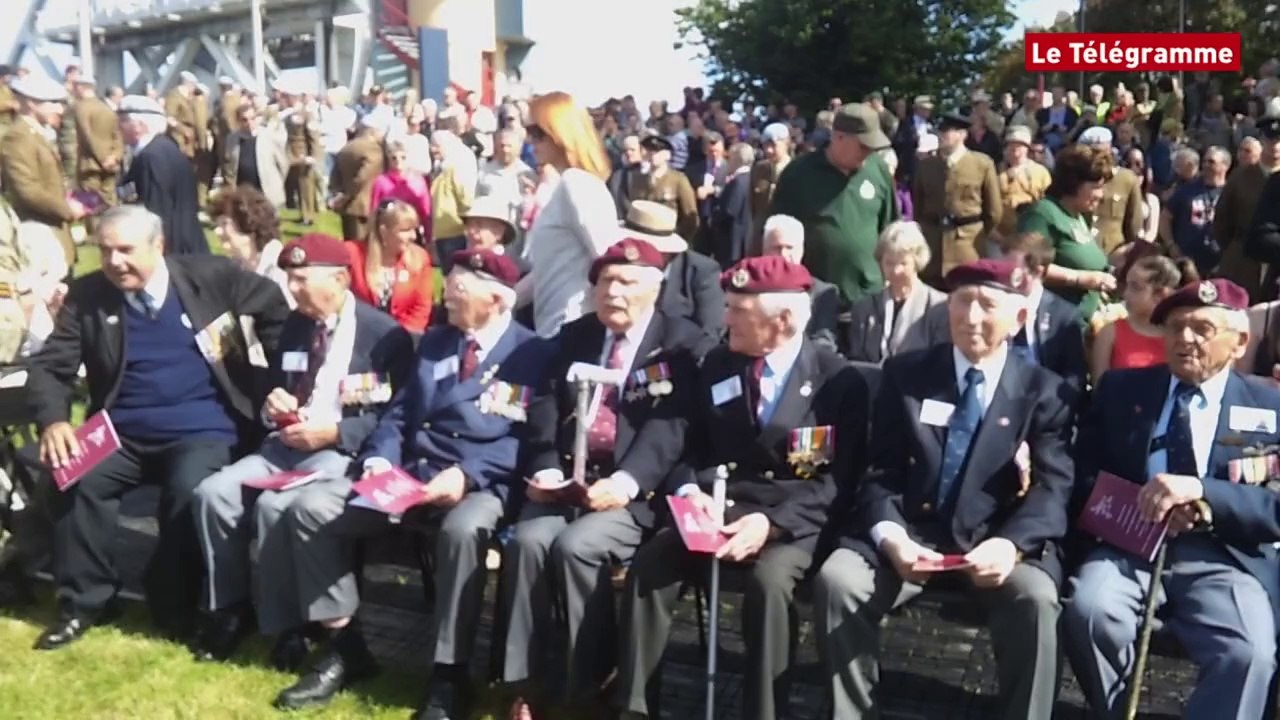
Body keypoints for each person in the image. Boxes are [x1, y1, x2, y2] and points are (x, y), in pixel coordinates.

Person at [271, 249, 551, 716]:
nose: (447, 298)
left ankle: (449, 674)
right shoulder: (439, 340)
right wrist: (380, 461)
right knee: (311, 509)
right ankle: (345, 645)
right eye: (449, 287)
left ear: (497, 300)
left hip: (481, 481)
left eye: (459, 291)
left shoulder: (533, 353)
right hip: (410, 474)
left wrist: (466, 475)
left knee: (463, 532)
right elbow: (399, 414)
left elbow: (527, 438)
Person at [613, 256, 870, 720]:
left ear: (783, 321)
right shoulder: (717, 363)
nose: (724, 319)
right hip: (718, 508)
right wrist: (691, 494)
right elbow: (686, 445)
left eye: (737, 311)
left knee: (769, 585)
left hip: (795, 520)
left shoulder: (837, 380)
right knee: (651, 565)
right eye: (727, 306)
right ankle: (633, 707)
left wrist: (770, 524)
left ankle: (763, 713)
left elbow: (837, 480)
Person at [816, 258, 1074, 720]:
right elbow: (882, 470)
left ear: (1018, 319)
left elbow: (1054, 487)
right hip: (913, 532)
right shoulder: (906, 375)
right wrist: (892, 538)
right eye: (962, 302)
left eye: (986, 305)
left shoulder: (1045, 391)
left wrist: (1010, 546)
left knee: (1035, 601)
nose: (971, 317)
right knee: (839, 581)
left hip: (997, 540)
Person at [24, 206, 290, 648]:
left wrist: (275, 381)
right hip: (120, 429)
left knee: (189, 491)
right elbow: (50, 368)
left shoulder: (210, 277)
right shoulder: (89, 296)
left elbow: (275, 309)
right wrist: (54, 421)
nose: (114, 262)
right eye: (104, 251)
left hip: (204, 426)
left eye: (125, 251)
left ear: (159, 246)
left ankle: (173, 600)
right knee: (75, 477)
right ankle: (85, 600)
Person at [499, 239, 707, 717]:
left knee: (576, 548)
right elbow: (546, 406)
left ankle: (589, 684)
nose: (613, 292)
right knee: (528, 542)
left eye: (627, 282)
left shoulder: (681, 344)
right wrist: (547, 466)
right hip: (569, 481)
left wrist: (629, 482)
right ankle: (525, 685)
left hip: (636, 492)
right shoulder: (575, 337)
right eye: (606, 281)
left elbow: (673, 426)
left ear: (654, 289)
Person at [188, 233, 411, 664]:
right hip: (284, 443)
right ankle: (231, 608)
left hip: (338, 449)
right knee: (212, 495)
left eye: (302, 280)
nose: (291, 290)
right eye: (289, 279)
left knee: (277, 506)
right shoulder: (297, 325)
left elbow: (394, 416)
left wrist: (334, 433)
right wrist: (276, 401)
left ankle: (290, 625)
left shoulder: (383, 337)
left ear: (341, 280)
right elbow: (282, 380)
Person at [1064, 278, 1280, 720]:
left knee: (1248, 652)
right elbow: (1083, 473)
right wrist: (1142, 503)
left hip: (1224, 555)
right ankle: (1118, 711)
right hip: (1130, 541)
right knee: (1088, 612)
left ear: (1240, 341)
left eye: (1201, 328)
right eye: (1175, 327)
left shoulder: (1269, 407)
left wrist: (1205, 497)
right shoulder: (1123, 390)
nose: (1184, 339)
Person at [769, 103, 897, 306]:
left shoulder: (878, 170)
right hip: (816, 300)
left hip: (870, 299)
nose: (868, 153)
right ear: (838, 137)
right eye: (863, 146)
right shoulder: (799, 174)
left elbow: (889, 230)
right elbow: (774, 236)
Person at [521, 91, 617, 338]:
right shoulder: (565, 185)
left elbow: (608, 260)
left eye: (537, 133)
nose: (530, 141)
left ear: (559, 133)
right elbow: (551, 267)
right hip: (554, 328)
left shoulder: (578, 184)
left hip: (572, 329)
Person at [1017, 144, 1117, 326]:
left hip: (1081, 324)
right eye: (1096, 187)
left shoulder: (1078, 216)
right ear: (1073, 184)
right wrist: (1079, 279)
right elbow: (1027, 265)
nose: (1101, 195)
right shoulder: (1043, 213)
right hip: (1052, 325)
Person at [1, 74, 84, 268]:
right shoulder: (18, 138)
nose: (60, 109)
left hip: (52, 229)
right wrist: (67, 210)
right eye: (54, 102)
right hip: (40, 234)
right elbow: (27, 190)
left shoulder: (34, 133)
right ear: (32, 103)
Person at [911, 111, 1001, 281]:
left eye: (947, 131)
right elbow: (919, 207)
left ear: (962, 134)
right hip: (933, 250)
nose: (941, 135)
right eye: (940, 131)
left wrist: (975, 233)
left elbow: (994, 212)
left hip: (967, 248)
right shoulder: (926, 166)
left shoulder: (982, 164)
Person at [117, 95, 209, 255]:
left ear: (139, 125)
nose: (118, 127)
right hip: (186, 241)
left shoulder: (151, 157)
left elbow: (156, 210)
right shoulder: (163, 148)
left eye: (123, 121)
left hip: (174, 249)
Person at [847, 221, 945, 363]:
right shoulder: (864, 307)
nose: (896, 271)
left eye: (903, 263)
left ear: (917, 262)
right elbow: (856, 358)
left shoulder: (938, 306)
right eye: (889, 263)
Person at [1091, 254, 1198, 379]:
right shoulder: (1110, 333)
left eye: (1135, 287)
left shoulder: (1181, 337)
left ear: (1161, 295)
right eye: (1127, 285)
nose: (1126, 294)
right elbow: (1100, 387)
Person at [346, 199, 434, 335]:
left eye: (415, 229)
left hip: (403, 336)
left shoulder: (420, 258)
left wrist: (400, 338)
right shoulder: (352, 253)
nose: (413, 236)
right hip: (358, 334)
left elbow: (421, 307)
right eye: (405, 230)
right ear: (384, 231)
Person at [759, 213, 841, 352]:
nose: (783, 255)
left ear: (801, 251)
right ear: (764, 251)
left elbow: (824, 343)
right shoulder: (750, 291)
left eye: (789, 248)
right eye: (776, 248)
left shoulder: (822, 294)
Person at [210, 186, 292, 306]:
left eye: (224, 223)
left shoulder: (279, 269)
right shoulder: (236, 266)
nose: (217, 231)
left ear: (248, 222)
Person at [329, 113, 387, 242]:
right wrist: (346, 195)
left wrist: (338, 194)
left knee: (350, 245)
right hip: (364, 206)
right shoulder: (373, 150)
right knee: (363, 249)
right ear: (372, 132)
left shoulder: (346, 148)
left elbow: (335, 175)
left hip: (347, 208)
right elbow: (363, 177)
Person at [72, 75, 124, 218]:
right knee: (109, 200)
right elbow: (118, 136)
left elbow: (86, 136)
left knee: (91, 204)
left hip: (90, 165)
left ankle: (96, 235)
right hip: (111, 164)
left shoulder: (81, 108)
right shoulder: (106, 108)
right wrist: (115, 157)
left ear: (80, 87)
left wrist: (102, 159)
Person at [221, 102, 288, 208]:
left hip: (265, 190)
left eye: (252, 118)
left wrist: (277, 183)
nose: (249, 123)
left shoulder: (269, 136)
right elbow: (228, 166)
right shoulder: (232, 139)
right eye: (245, 120)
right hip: (242, 190)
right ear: (238, 121)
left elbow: (283, 164)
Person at [369, 139, 433, 244]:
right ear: (388, 160)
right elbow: (374, 211)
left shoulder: (418, 181)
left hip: (413, 231)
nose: (398, 161)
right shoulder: (381, 181)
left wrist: (429, 237)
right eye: (394, 158)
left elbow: (425, 212)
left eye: (403, 157)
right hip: (389, 233)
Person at [281, 85, 324, 226]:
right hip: (290, 153)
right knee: (297, 185)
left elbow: (313, 137)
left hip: (302, 154)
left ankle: (308, 216)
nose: (285, 99)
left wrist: (313, 156)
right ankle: (302, 212)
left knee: (306, 185)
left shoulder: (307, 114)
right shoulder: (289, 114)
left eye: (287, 97)